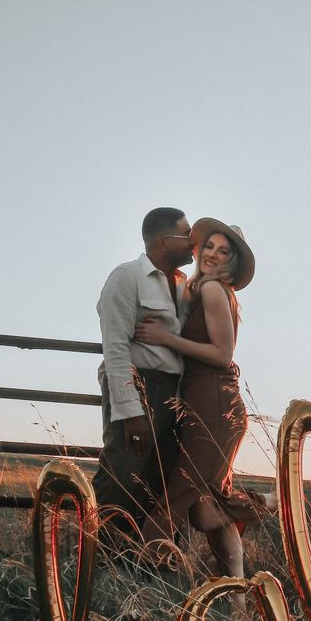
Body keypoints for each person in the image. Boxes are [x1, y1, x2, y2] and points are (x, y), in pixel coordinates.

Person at [133, 217, 269, 582]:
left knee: (180, 499)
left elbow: (223, 354)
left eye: (223, 251)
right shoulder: (202, 288)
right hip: (207, 400)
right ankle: (237, 599)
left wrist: (166, 338)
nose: (212, 253)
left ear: (231, 261)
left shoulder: (213, 290)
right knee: (206, 508)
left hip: (214, 401)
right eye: (209, 246)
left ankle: (266, 506)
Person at [93, 207, 197, 537]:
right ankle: (105, 560)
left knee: (161, 481)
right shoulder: (127, 277)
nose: (193, 242)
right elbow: (115, 346)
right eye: (187, 234)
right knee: (123, 475)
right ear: (165, 241)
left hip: (173, 392)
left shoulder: (183, 287)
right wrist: (129, 410)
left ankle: (151, 564)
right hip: (139, 385)